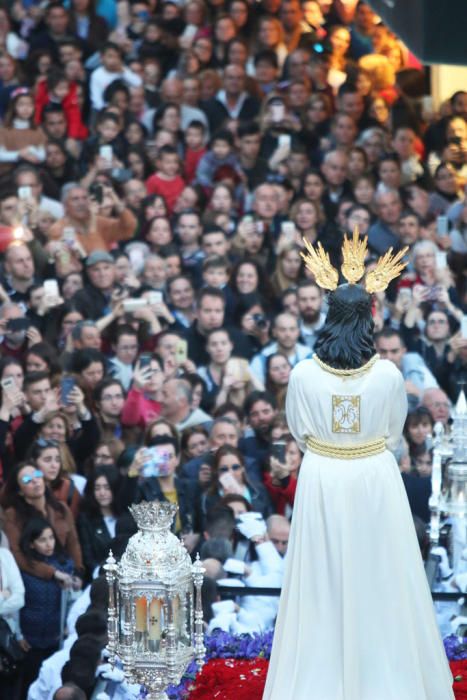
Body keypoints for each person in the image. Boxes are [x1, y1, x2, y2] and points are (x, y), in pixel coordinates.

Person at [263, 235, 454, 699]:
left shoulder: (304, 374)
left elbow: (299, 429)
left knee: (322, 580)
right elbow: (392, 434)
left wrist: (331, 447)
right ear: (369, 318)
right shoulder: (388, 375)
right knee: (382, 575)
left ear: (329, 316)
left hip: (324, 477)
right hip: (373, 476)